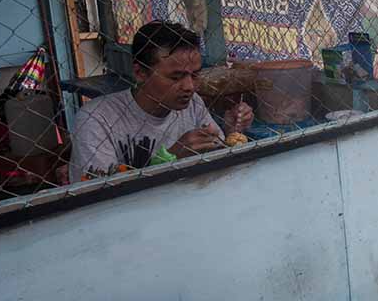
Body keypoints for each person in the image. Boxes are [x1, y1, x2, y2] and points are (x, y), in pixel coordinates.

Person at [69, 21, 253, 182]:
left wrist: (232, 130)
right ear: (140, 73)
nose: (189, 86)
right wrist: (170, 157)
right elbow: (101, 196)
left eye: (195, 75)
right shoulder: (96, 120)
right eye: (175, 77)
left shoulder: (192, 103)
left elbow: (219, 156)